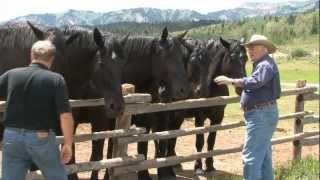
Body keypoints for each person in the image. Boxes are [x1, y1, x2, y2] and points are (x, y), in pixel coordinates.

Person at [0, 40, 74, 180]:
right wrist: (68, 144)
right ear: (52, 58)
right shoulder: (56, 80)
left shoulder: (12, 74)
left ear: (31, 55)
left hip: (12, 137)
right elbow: (65, 115)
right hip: (41, 139)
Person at [214, 34, 281, 180]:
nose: (249, 51)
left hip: (260, 115)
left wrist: (231, 81)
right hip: (263, 113)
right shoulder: (264, 63)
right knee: (263, 158)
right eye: (249, 48)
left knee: (250, 158)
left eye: (253, 48)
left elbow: (256, 82)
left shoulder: (264, 65)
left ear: (263, 49)